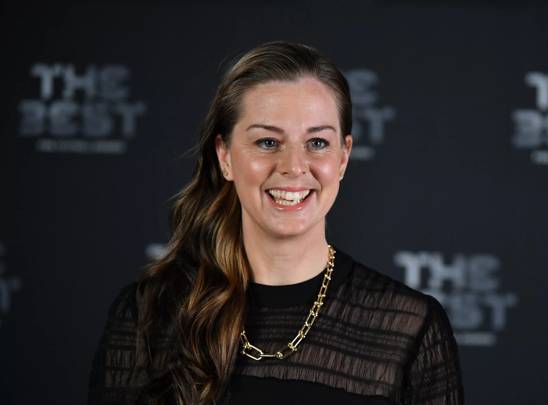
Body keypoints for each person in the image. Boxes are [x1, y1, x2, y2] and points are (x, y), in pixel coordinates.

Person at [88, 41, 463, 405]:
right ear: (225, 157)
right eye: (268, 142)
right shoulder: (148, 313)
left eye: (317, 143)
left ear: (344, 157)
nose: (293, 166)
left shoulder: (410, 328)